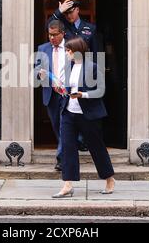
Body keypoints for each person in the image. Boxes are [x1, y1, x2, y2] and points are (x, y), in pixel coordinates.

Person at [52, 37, 115, 198]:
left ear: (77, 51)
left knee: (96, 148)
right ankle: (67, 184)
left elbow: (101, 91)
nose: (66, 54)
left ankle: (109, 179)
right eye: (66, 51)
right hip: (69, 112)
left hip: (88, 115)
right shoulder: (68, 67)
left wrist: (82, 94)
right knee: (67, 148)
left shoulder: (93, 67)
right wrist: (59, 88)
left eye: (69, 51)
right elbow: (67, 90)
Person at [48, 0, 97, 152]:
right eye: (66, 13)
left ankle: (80, 139)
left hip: (85, 75)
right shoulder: (63, 27)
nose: (68, 15)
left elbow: (96, 53)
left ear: (77, 10)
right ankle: (69, 147)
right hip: (68, 75)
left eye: (71, 12)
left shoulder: (90, 28)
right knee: (66, 116)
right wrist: (58, 12)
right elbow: (50, 26)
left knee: (83, 110)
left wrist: (95, 74)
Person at [34, 20, 71, 171]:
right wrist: (40, 74)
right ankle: (67, 148)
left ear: (63, 33)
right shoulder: (42, 49)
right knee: (57, 125)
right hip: (51, 95)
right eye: (50, 35)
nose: (52, 38)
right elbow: (36, 71)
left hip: (68, 94)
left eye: (55, 35)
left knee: (64, 125)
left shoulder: (71, 47)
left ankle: (61, 158)